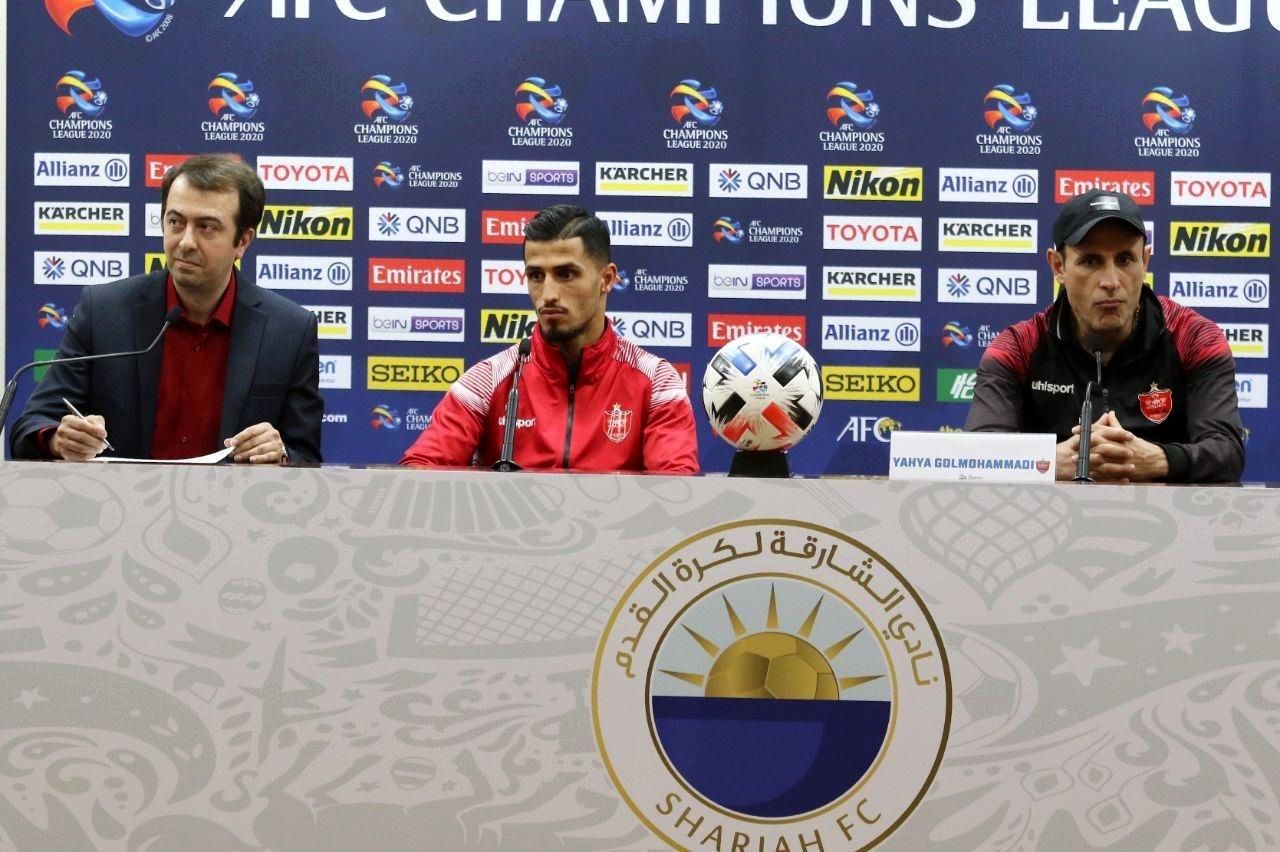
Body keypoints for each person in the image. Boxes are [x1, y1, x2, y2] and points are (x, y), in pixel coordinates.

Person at [10, 154, 322, 464]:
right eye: (175, 222)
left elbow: (307, 457)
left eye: (206, 227)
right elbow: (31, 425)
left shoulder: (290, 331)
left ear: (242, 241)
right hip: (120, 495)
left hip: (234, 497)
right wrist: (59, 440)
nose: (185, 242)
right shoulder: (103, 312)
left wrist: (280, 455)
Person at [965, 189, 1244, 483]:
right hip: (1049, 512)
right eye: (1090, 261)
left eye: (1125, 259)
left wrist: (1157, 459)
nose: (1111, 281)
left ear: (1145, 260)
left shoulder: (1195, 337)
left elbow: (1227, 452)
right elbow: (975, 457)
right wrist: (1048, 462)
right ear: (1058, 266)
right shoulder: (1018, 347)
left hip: (1165, 512)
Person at [400, 204, 699, 472]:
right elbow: (416, 478)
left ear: (606, 279)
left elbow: (677, 495)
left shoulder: (657, 383)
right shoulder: (487, 381)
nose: (548, 294)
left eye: (566, 274)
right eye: (536, 276)